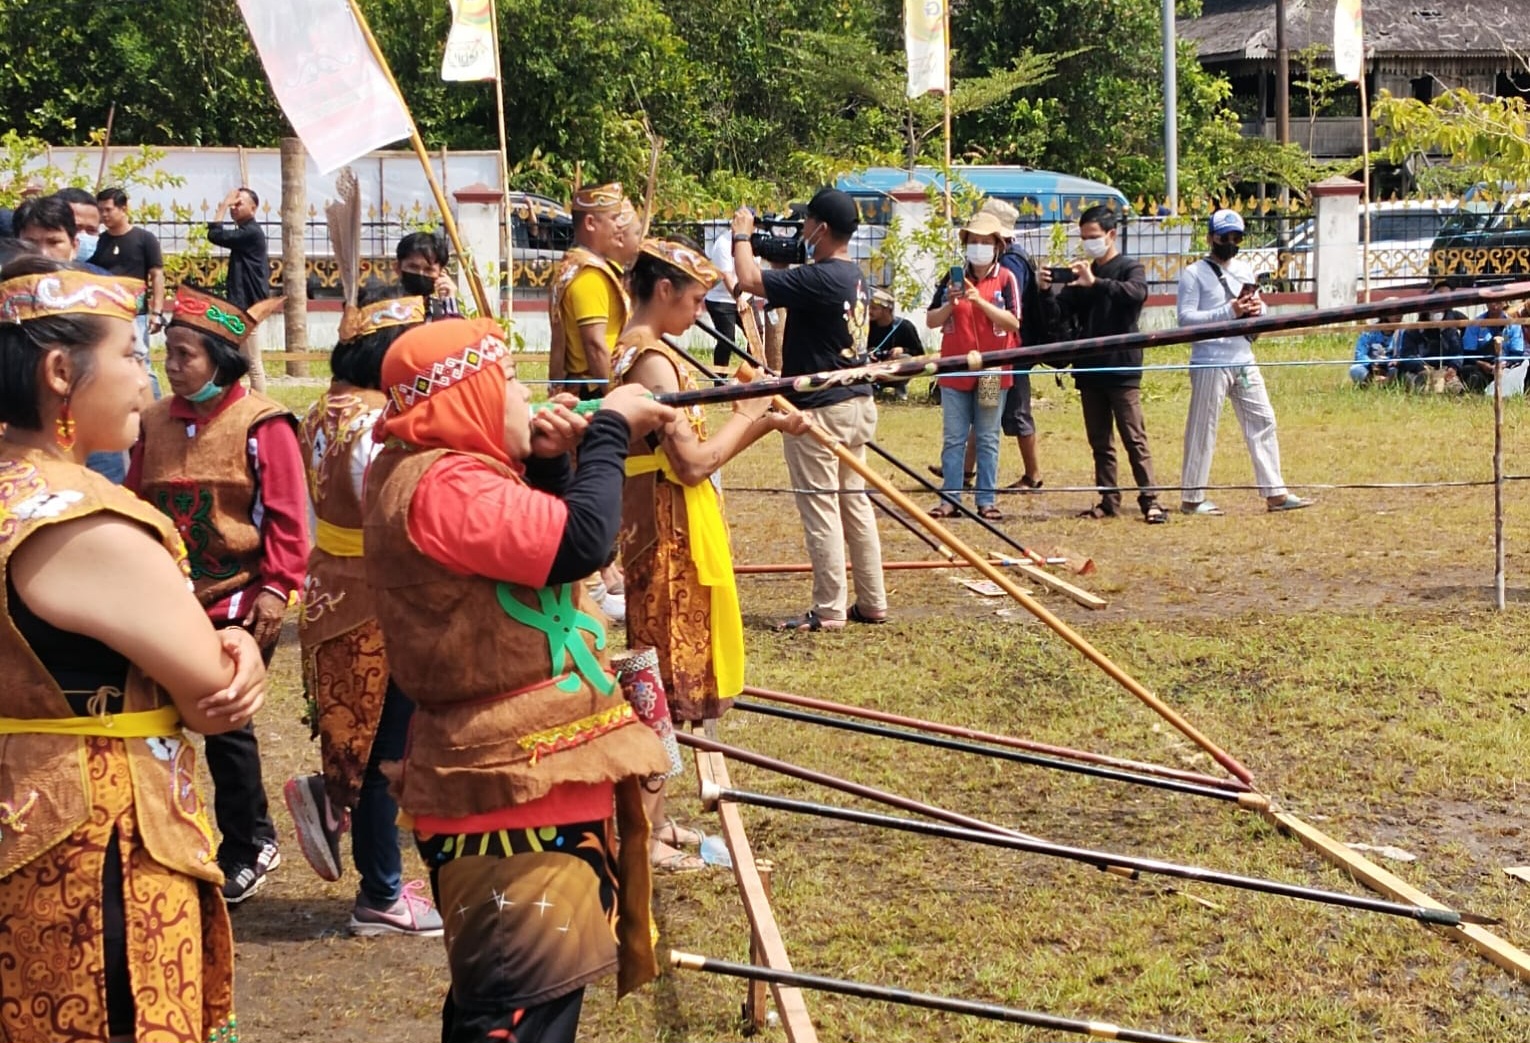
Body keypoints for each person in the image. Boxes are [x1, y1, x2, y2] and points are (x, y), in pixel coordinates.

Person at [361, 317, 677, 1042]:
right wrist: (608, 434)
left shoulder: (445, 472)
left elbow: (531, 543)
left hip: (526, 779)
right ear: (467, 394)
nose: (523, 393)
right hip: (506, 792)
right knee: (514, 1011)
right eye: (507, 379)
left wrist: (549, 463)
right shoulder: (442, 482)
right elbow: (578, 541)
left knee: (523, 1002)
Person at [0, 255, 267, 1043]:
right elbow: (210, 693)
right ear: (59, 371)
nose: (146, 377)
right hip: (95, 848)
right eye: (129, 353)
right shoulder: (86, 522)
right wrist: (237, 653)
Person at [614, 239, 805, 872]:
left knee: (661, 673)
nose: (700, 312)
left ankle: (658, 821)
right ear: (663, 290)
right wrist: (753, 414)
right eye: (696, 300)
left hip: (664, 530)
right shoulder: (650, 363)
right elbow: (693, 464)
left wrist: (750, 410)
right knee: (659, 683)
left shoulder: (654, 353)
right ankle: (640, 833)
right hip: (666, 539)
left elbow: (693, 441)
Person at [127, 285, 310, 904]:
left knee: (227, 725)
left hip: (238, 593)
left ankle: (250, 843)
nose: (173, 367)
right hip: (167, 593)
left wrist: (279, 589)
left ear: (222, 359)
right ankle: (171, 837)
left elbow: (287, 515)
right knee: (154, 717)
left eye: (186, 356)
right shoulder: (152, 420)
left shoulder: (264, 424)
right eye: (169, 354)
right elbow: (134, 501)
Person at [282, 290, 444, 936]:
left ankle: (333, 798)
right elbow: (397, 514)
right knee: (385, 746)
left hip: (330, 586)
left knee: (356, 728)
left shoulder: (321, 410)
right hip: (376, 594)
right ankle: (380, 892)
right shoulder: (377, 422)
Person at [731, 187, 888, 632]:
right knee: (854, 504)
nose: (801, 230)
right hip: (855, 404)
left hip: (820, 410)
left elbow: (748, 281)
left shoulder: (820, 277)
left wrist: (743, 236)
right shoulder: (850, 275)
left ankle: (829, 608)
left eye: (805, 223)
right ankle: (872, 600)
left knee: (821, 507)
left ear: (820, 228)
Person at [1176, 209, 1312, 515]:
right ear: (1211, 237)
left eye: (1237, 237)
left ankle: (1275, 492)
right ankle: (1192, 498)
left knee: (1263, 419)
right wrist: (1229, 311)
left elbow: (1258, 306)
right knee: (1203, 427)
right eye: (1225, 237)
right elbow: (1185, 320)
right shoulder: (1193, 274)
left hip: (1243, 357)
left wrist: (1255, 309)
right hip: (1210, 359)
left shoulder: (1245, 270)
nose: (1231, 243)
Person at [1039, 205, 1166, 523]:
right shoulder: (1082, 275)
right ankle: (1108, 499)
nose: (1089, 243)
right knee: (1100, 441)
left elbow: (1136, 295)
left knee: (1133, 437)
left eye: (1093, 236)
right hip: (1089, 368)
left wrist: (1096, 282)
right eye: (1084, 238)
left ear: (1111, 234)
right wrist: (1045, 291)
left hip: (1122, 368)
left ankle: (1151, 500)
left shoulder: (1129, 268)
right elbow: (1058, 314)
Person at [924, 210, 1021, 521]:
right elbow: (931, 319)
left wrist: (980, 301)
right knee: (954, 436)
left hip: (992, 371)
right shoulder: (950, 279)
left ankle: (986, 500)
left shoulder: (1006, 279)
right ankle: (949, 498)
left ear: (997, 246)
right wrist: (949, 304)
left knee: (987, 434)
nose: (978, 247)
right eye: (973, 241)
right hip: (954, 371)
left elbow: (1013, 322)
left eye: (985, 242)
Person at [987, 198, 1049, 490]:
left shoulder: (1011, 261)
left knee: (1018, 410)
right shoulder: (999, 258)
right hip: (994, 349)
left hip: (1012, 350)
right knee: (984, 405)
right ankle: (965, 469)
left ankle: (1033, 474)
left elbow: (1012, 309)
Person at [549, 182, 630, 400]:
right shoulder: (589, 275)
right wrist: (616, 399)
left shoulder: (574, 264)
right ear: (591, 222)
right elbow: (595, 345)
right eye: (614, 218)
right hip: (593, 393)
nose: (620, 226)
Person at [91, 187, 166, 352]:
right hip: (105, 311)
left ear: (123, 208)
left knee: (140, 360)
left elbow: (157, 276)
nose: (104, 215)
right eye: (100, 210)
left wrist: (157, 312)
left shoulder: (145, 239)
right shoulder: (99, 241)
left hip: (135, 314)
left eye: (108, 210)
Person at [206, 187, 272, 310]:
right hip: (244, 299)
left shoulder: (251, 232)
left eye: (238, 204)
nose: (233, 208)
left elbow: (215, 235)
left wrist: (223, 205)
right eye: (232, 205)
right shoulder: (246, 231)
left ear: (253, 209)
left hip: (249, 299)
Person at [866, 286, 924, 401]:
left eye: (874, 308)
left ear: (887, 310)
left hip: (893, 366)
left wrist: (903, 350)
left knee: (904, 358)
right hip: (874, 366)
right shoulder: (866, 326)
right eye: (869, 308)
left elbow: (920, 354)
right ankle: (872, 387)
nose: (869, 312)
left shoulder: (904, 326)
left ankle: (899, 387)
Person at [1458, 299, 1525, 394]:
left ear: (1504, 303)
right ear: (1486, 303)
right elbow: (1468, 353)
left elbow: (1517, 353)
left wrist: (1503, 365)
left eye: (1498, 302)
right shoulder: (1474, 324)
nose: (1494, 306)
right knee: (1472, 374)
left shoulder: (1513, 325)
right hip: (1481, 366)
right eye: (1491, 302)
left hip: (1506, 367)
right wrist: (1484, 365)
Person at [397, 229, 461, 319]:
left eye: (428, 269)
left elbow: (455, 331)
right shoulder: (382, 307)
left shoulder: (442, 312)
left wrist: (449, 301)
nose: (420, 273)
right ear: (398, 268)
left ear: (441, 273)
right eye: (413, 267)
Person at [703, 223, 742, 363]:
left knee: (757, 336)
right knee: (727, 340)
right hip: (721, 300)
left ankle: (753, 375)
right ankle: (720, 380)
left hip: (745, 297)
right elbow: (726, 276)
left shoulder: (753, 241)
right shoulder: (723, 244)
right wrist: (738, 298)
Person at [11, 194, 82, 263]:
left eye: (53, 242)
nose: (43, 254)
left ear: (74, 247)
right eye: (30, 244)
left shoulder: (89, 274)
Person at [52, 186, 103, 264]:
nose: (84, 235)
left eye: (91, 230)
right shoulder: (31, 271)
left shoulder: (102, 275)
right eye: (76, 228)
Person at [1349, 317, 1397, 386]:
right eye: (1394, 314)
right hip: (1371, 368)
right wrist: (1372, 365)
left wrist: (1391, 363)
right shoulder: (1369, 332)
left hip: (1390, 367)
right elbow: (1360, 354)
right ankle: (1372, 382)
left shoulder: (1403, 331)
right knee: (1355, 369)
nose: (1399, 316)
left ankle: (1387, 383)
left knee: (1396, 371)